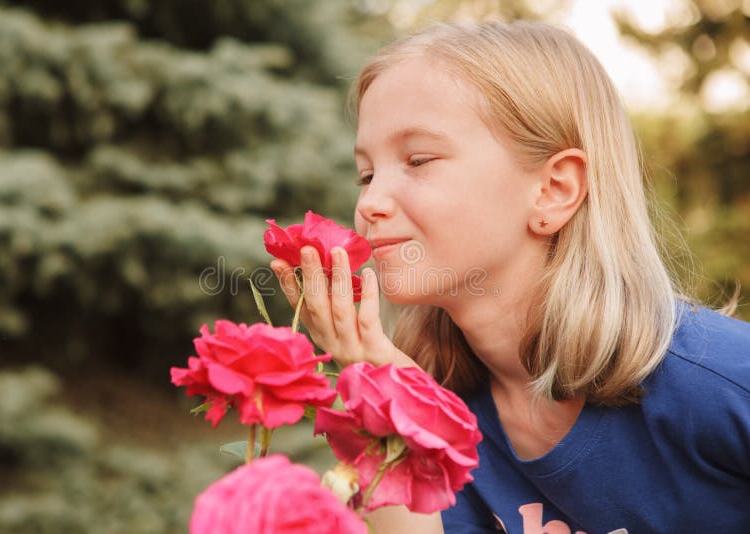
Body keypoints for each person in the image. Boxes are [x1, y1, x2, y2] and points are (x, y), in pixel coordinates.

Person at [270, 21, 750, 534]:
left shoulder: (721, 381)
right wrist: (390, 394)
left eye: (418, 160)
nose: (369, 203)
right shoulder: (435, 401)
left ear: (553, 190)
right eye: (366, 174)